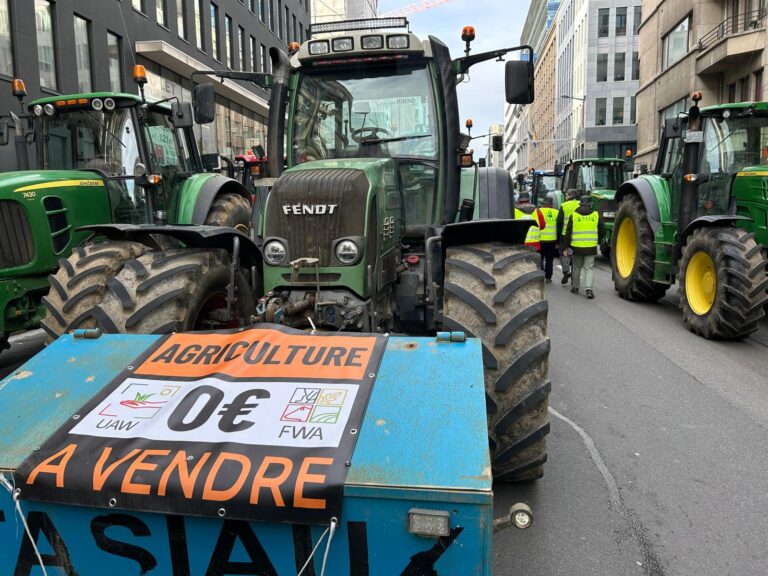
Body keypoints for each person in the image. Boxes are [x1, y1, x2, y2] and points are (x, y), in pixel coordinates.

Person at [564, 195, 605, 299]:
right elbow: (602, 231)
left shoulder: (574, 215)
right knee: (589, 268)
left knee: (576, 267)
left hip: (576, 246)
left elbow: (568, 233)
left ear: (580, 204)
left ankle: (575, 287)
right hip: (591, 246)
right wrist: (599, 240)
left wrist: (566, 246)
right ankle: (589, 290)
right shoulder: (596, 215)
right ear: (590, 204)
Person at [556, 189, 580, 284]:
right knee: (574, 254)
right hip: (578, 234)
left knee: (562, 252)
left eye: (566, 195)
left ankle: (566, 271)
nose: (565, 197)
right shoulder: (581, 204)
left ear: (570, 196)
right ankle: (575, 278)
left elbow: (560, 222)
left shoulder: (564, 205)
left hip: (565, 234)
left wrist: (558, 237)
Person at [538, 195, 559, 283]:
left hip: (540, 239)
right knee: (549, 259)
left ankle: (541, 274)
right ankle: (548, 277)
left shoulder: (538, 211)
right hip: (551, 240)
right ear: (552, 204)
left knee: (540, 258)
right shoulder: (556, 212)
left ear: (543, 204)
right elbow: (558, 226)